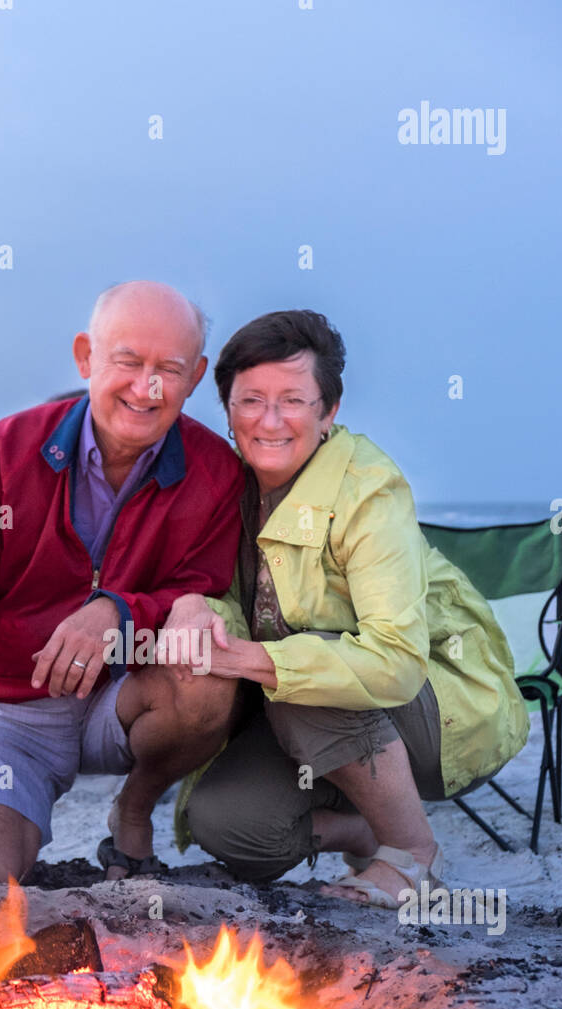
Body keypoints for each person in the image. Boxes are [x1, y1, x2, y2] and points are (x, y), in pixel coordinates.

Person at [163, 309, 529, 908]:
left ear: (328, 410)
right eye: (250, 400)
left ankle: (414, 855)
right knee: (226, 823)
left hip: (440, 711)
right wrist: (194, 608)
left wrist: (258, 661)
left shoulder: (368, 488)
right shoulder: (227, 485)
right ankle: (368, 828)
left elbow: (394, 661)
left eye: (294, 400)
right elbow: (233, 599)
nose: (271, 420)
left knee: (304, 683)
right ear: (227, 409)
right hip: (324, 728)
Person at [0, 280, 245, 882]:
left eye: (169, 368)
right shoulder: (5, 448)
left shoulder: (218, 471)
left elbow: (204, 586)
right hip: (9, 708)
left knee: (208, 669)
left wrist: (115, 611)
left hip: (129, 692)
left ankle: (134, 808)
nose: (147, 387)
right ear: (86, 356)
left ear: (196, 376)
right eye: (128, 362)